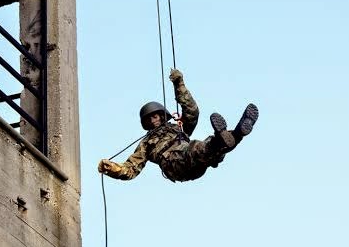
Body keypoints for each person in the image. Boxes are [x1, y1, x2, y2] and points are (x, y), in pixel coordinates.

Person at [98, 69, 259, 183]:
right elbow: (131, 169)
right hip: (175, 166)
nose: (153, 120)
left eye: (155, 116)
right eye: (149, 119)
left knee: (213, 150)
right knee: (197, 147)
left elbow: (192, 112)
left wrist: (179, 84)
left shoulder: (177, 128)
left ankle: (236, 135)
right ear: (146, 124)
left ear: (162, 115)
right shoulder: (146, 144)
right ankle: (223, 139)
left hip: (194, 162)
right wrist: (113, 169)